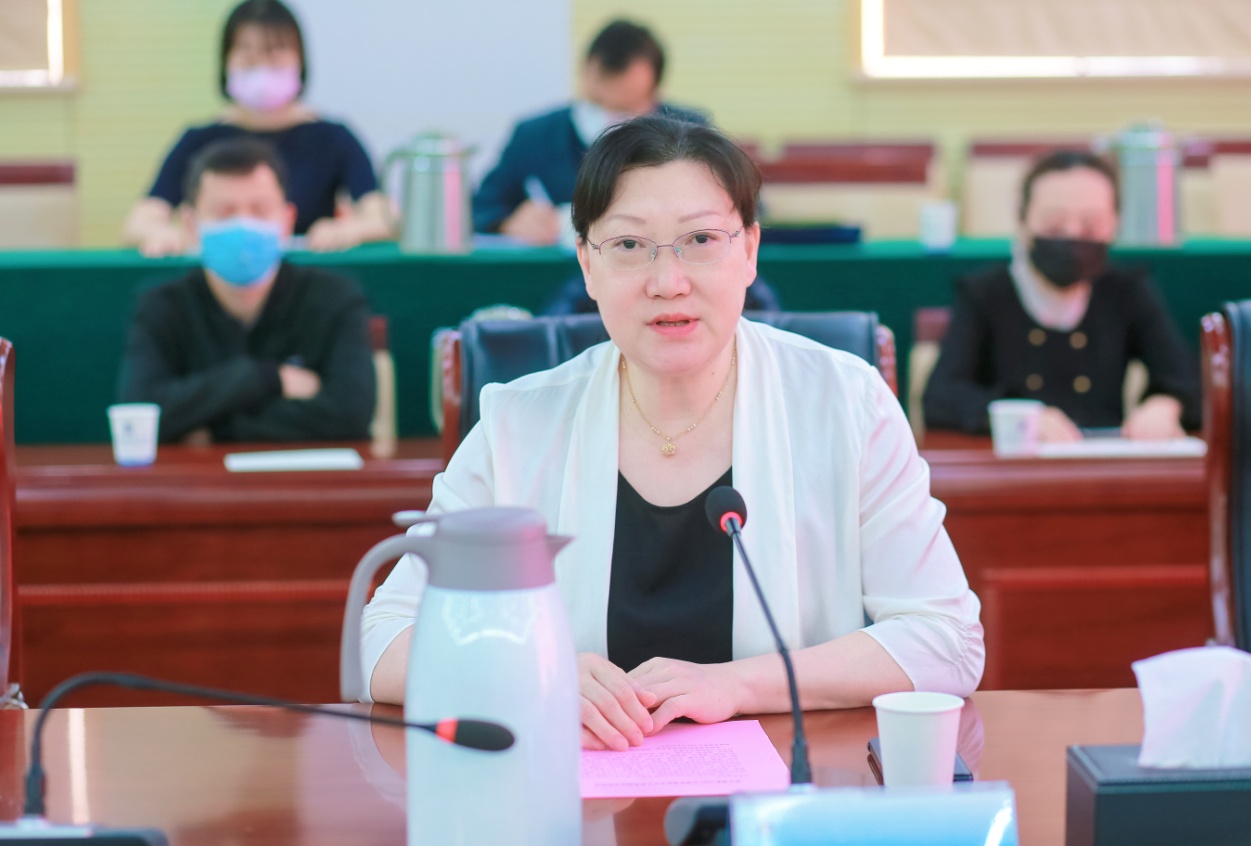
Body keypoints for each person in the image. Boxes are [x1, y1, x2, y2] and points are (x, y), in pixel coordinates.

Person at [361, 115, 984, 751]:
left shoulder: (846, 404)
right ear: (587, 265)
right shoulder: (518, 423)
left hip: (788, 780)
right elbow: (383, 639)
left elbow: (948, 639)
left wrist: (739, 685)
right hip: (575, 787)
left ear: (749, 251)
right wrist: (527, 675)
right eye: (630, 245)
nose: (668, 282)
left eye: (701, 240)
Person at [923, 150, 1201, 441]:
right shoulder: (984, 293)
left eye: (1090, 226)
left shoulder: (1126, 290)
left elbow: (1189, 378)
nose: (1072, 234)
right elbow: (940, 397)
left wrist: (1166, 405)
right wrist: (1017, 417)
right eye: (1054, 225)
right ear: (1023, 220)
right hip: (1017, 459)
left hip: (1102, 457)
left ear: (1114, 224)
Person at [117, 137, 375, 444]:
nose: (243, 224)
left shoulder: (335, 298)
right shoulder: (162, 305)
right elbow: (140, 415)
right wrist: (266, 377)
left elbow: (350, 415)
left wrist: (213, 429)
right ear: (191, 224)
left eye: (260, 210)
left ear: (287, 220)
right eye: (224, 212)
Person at [123, 0, 393, 256]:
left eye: (274, 55)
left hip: (306, 276)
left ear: (299, 60)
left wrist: (348, 230)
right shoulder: (199, 140)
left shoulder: (333, 138)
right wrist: (163, 234)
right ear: (226, 62)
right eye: (248, 57)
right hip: (219, 277)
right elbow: (139, 222)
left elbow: (383, 218)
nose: (262, 68)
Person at [472, 19, 709, 246]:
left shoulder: (690, 132)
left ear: (654, 93)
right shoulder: (534, 135)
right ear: (586, 71)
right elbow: (480, 207)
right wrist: (508, 222)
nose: (608, 120)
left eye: (624, 110)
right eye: (597, 103)